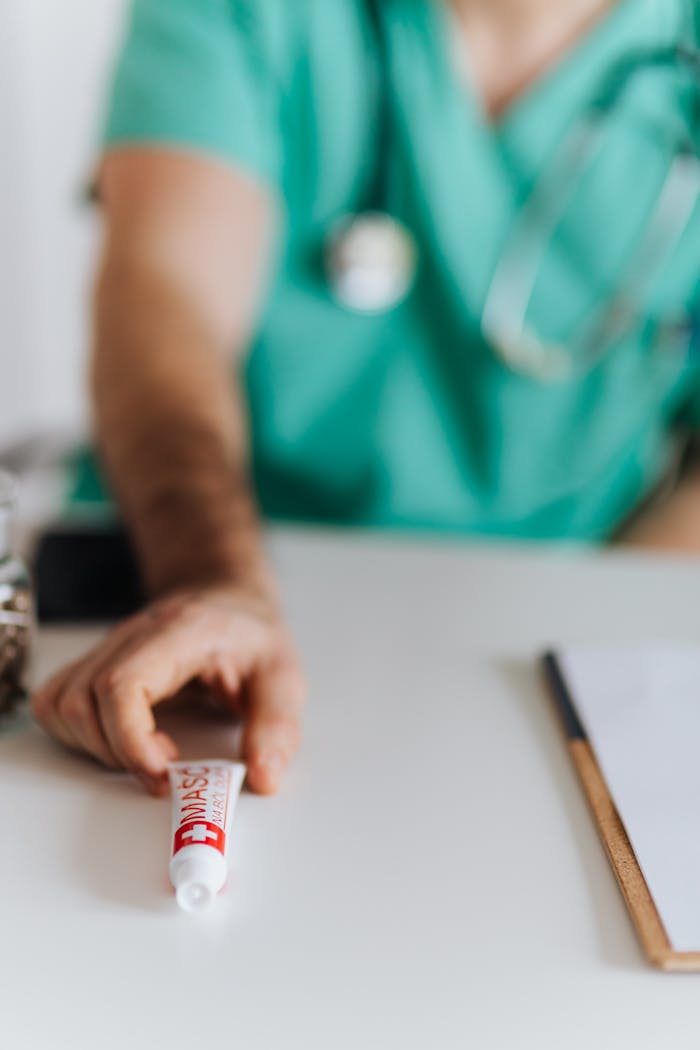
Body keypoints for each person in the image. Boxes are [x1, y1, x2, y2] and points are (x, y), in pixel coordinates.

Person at [32, 0, 700, 795]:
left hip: (544, 648)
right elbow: (165, 304)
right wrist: (212, 579)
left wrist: (583, 669)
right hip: (191, 600)